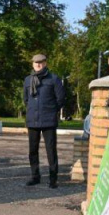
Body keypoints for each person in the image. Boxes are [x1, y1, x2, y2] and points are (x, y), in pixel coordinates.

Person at [23, 53, 65, 188]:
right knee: (32, 150)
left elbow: (61, 99)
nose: (38, 64)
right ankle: (35, 176)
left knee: (51, 150)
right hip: (32, 120)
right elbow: (25, 99)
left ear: (45, 63)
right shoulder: (28, 80)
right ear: (32, 64)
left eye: (41, 62)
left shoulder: (54, 79)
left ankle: (53, 179)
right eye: (36, 62)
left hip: (48, 120)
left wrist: (51, 110)